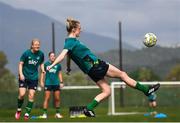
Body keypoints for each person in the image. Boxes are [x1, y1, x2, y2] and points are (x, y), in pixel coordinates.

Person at [47, 18, 160, 117]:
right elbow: (62, 55)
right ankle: (147, 90)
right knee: (123, 74)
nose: (81, 30)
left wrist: (68, 67)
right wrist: (52, 65)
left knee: (107, 91)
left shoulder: (69, 42)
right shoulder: (70, 42)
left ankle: (89, 109)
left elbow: (68, 56)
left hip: (91, 71)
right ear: (73, 29)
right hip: (96, 65)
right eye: (79, 28)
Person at [15, 39, 44, 120]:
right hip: (24, 77)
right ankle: (19, 110)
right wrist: (21, 74)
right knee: (22, 94)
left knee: (31, 95)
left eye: (38, 44)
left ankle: (27, 114)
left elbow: (41, 63)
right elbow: (20, 64)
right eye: (36, 44)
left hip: (34, 78)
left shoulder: (41, 54)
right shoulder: (26, 53)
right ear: (32, 45)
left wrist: (43, 69)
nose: (37, 46)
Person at [40, 52, 64, 119]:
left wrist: (61, 82)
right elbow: (42, 73)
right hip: (48, 83)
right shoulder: (46, 64)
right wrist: (41, 81)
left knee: (57, 99)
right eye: (51, 56)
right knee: (47, 98)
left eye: (54, 56)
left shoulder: (58, 65)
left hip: (56, 83)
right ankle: (44, 114)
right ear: (49, 57)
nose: (53, 57)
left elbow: (59, 74)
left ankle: (57, 113)